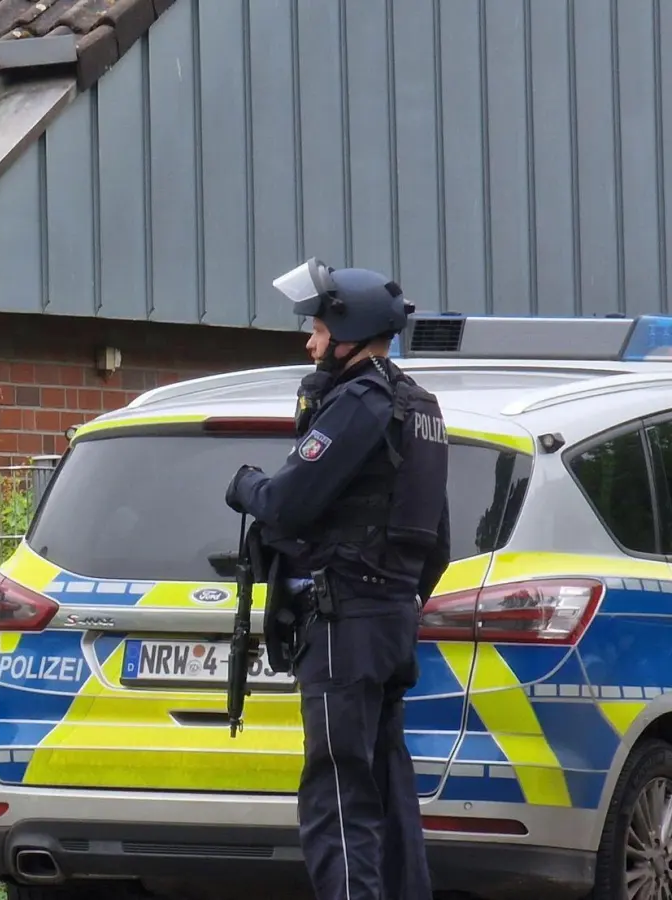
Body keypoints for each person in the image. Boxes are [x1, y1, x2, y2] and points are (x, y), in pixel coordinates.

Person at [223, 259, 449, 900]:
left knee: (338, 792)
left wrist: (245, 486)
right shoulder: (419, 406)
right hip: (387, 620)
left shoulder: (358, 403)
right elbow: (437, 538)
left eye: (317, 328)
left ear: (349, 330)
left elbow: (290, 503)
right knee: (384, 785)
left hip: (343, 623)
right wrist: (395, 596)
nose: (310, 341)